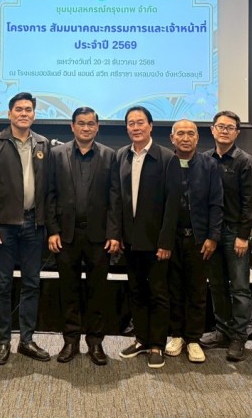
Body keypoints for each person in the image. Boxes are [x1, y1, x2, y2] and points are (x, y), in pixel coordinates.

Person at [0, 92, 51, 365]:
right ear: (9, 114)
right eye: (18, 109)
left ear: (34, 115)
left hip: (34, 225)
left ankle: (27, 340)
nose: (23, 113)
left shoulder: (42, 143)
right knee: (3, 284)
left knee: (32, 283)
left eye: (28, 109)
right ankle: (3, 340)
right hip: (4, 227)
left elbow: (48, 187)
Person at [47, 107, 119, 366]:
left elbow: (115, 197)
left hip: (99, 237)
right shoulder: (57, 154)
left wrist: (114, 233)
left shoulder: (109, 155)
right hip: (66, 235)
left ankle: (96, 342)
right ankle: (70, 341)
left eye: (90, 124)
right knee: (68, 289)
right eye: (81, 123)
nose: (86, 128)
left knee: (97, 291)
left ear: (97, 127)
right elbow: (49, 194)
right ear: (72, 126)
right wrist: (52, 230)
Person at [110, 106, 178, 369]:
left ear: (150, 125)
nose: (135, 127)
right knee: (136, 290)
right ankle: (141, 339)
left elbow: (172, 205)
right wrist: (116, 234)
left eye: (140, 122)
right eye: (131, 123)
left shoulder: (167, 157)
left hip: (156, 242)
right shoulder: (121, 156)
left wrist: (165, 242)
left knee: (158, 293)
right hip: (130, 240)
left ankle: (157, 344)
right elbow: (116, 199)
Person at [201, 111, 252, 361]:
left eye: (230, 127)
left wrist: (244, 236)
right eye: (220, 126)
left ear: (237, 132)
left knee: (239, 287)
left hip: (236, 232)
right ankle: (222, 331)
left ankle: (238, 336)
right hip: (211, 233)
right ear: (212, 130)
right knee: (216, 285)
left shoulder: (245, 162)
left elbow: (251, 203)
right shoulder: (204, 159)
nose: (224, 131)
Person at [165, 119, 223, 365]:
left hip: (199, 239)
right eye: (181, 133)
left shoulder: (209, 165)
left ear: (197, 138)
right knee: (174, 288)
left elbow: (216, 203)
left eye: (191, 133)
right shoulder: (166, 164)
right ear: (172, 138)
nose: (186, 138)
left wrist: (212, 237)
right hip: (170, 239)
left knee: (197, 290)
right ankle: (177, 335)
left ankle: (193, 339)